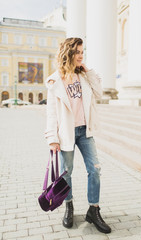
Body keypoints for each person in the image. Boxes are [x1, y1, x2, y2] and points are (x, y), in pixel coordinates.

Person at [45, 37, 111, 234]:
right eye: (78, 52)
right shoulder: (55, 80)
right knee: (67, 173)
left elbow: (99, 92)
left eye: (83, 52)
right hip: (66, 133)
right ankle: (69, 206)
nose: (81, 55)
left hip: (85, 131)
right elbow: (51, 112)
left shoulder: (84, 76)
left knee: (95, 169)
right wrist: (52, 138)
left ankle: (94, 209)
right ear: (68, 53)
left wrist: (88, 70)